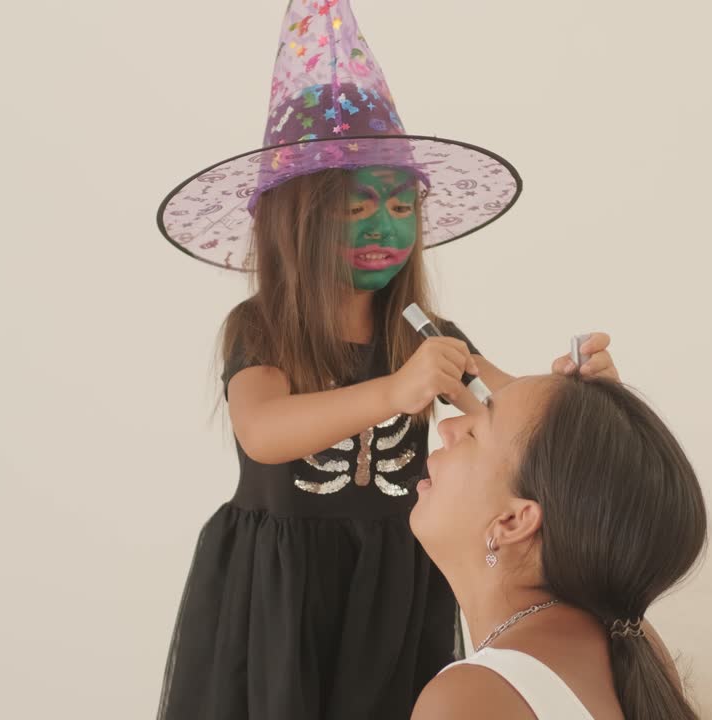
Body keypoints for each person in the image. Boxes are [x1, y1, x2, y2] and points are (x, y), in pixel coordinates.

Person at [152, 2, 619, 717]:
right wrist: (393, 391)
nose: (384, 226)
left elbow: (501, 406)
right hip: (278, 583)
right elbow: (263, 431)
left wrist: (576, 395)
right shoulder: (264, 327)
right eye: (357, 205)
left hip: (394, 579)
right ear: (296, 219)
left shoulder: (420, 326)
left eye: (403, 207)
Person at [411, 374, 707, 719]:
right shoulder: (636, 644)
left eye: (474, 432)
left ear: (513, 522)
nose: (447, 428)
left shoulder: (471, 699)